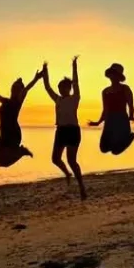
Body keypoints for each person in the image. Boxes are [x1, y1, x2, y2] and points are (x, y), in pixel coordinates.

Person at [41, 57, 86, 199]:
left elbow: (76, 82)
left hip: (72, 130)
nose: (61, 89)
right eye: (60, 88)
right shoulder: (58, 99)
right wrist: (45, 71)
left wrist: (74, 66)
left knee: (72, 160)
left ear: (69, 88)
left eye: (63, 87)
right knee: (55, 159)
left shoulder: (75, 98)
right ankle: (67, 173)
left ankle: (81, 187)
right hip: (60, 131)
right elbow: (47, 87)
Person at [0, 69, 43, 167]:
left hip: (12, 133)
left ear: (20, 91)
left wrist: (36, 78)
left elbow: (27, 88)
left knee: (2, 162)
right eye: (14, 86)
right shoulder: (6, 101)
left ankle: (21, 152)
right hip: (4, 133)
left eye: (18, 88)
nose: (15, 88)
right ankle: (21, 152)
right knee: (0, 161)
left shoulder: (17, 101)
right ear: (12, 88)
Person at [89, 62, 134, 155]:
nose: (113, 77)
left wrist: (131, 116)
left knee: (116, 151)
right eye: (112, 74)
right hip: (109, 120)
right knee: (104, 148)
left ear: (119, 76)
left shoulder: (125, 88)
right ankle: (124, 138)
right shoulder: (105, 91)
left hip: (121, 118)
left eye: (115, 74)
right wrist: (98, 122)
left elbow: (130, 104)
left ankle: (130, 137)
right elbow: (105, 109)